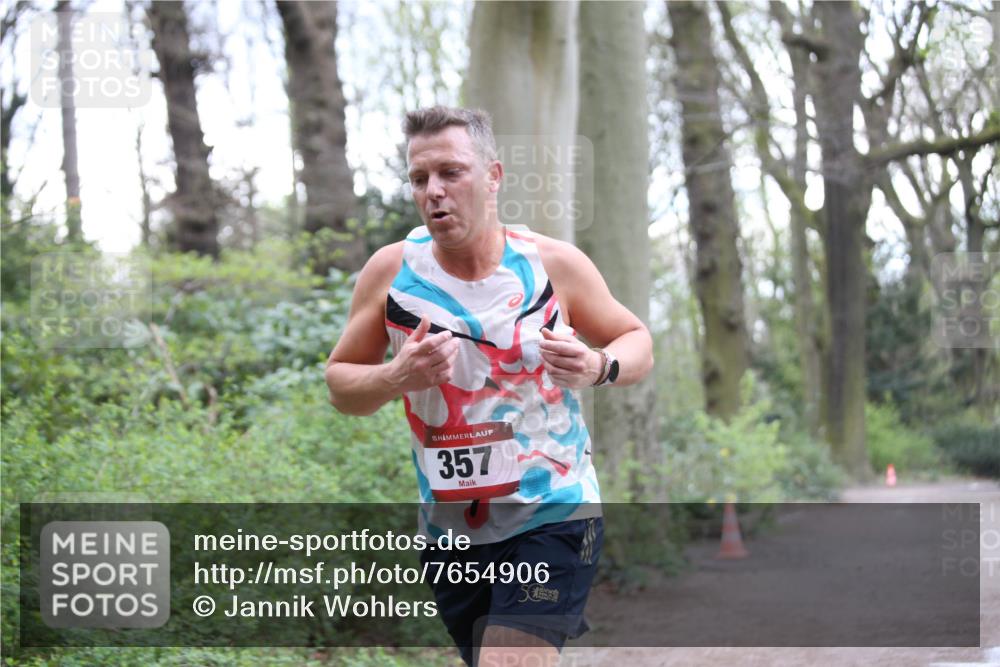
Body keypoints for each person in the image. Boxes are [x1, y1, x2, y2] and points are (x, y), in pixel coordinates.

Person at [325, 106, 653, 667]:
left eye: (452, 172)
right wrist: (394, 376)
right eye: (420, 178)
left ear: (493, 176)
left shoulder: (552, 265)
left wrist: (599, 366)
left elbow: (635, 338)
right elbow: (340, 383)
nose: (434, 192)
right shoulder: (392, 274)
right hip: (451, 530)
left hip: (553, 509)